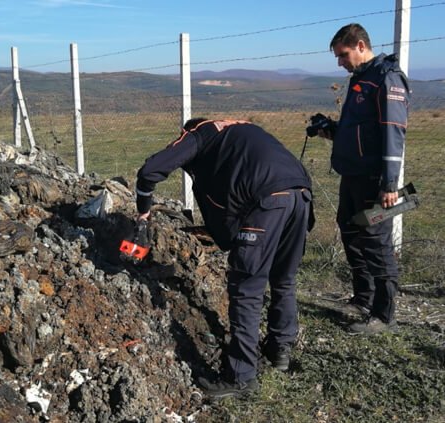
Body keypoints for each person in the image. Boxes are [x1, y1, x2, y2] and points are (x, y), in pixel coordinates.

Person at [135, 118, 313, 399]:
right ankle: (280, 349)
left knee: (246, 288)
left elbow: (150, 170)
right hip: (300, 195)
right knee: (284, 278)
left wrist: (142, 212)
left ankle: (240, 376)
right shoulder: (239, 133)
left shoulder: (200, 133)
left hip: (267, 201)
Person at [319, 23, 410, 335]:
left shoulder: (386, 78)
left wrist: (389, 184)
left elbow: (392, 132)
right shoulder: (361, 79)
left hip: (374, 179)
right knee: (351, 233)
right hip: (352, 175)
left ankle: (384, 316)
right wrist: (328, 129)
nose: (340, 62)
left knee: (375, 242)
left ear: (359, 45)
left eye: (343, 55)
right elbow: (359, 131)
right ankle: (363, 299)